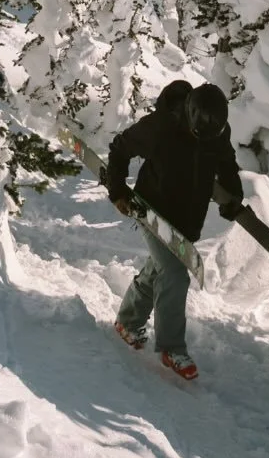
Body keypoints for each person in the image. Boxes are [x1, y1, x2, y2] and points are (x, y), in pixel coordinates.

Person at [104, 79, 244, 380]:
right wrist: (117, 190)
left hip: (187, 219)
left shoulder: (218, 131)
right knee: (174, 274)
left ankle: (127, 323)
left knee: (158, 269)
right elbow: (120, 149)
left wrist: (234, 197)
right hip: (151, 208)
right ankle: (171, 347)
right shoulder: (160, 127)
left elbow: (227, 164)